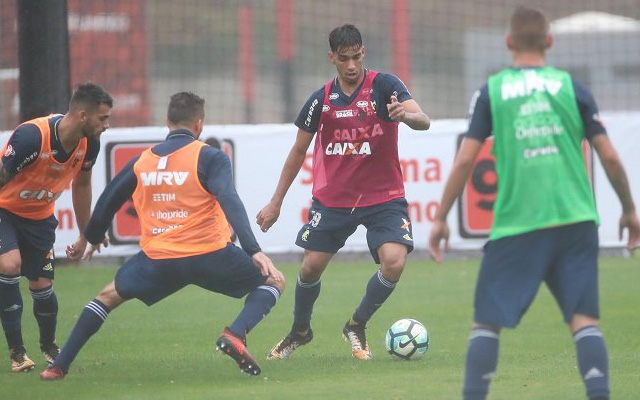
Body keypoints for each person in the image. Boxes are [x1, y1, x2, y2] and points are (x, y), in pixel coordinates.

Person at [428, 6, 640, 400]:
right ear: (549, 42)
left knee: (486, 325)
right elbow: (609, 156)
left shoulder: (493, 91)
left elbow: (464, 159)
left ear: (509, 43)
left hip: (519, 224)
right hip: (576, 220)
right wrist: (629, 209)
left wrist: (440, 218)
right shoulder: (572, 88)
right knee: (585, 323)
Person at [39, 92, 285, 380]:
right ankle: (235, 333)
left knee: (106, 297)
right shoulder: (210, 156)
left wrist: (90, 237)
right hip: (210, 254)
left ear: (166, 121)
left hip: (159, 259)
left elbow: (109, 199)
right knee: (274, 281)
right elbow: (229, 198)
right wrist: (253, 249)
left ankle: (58, 367)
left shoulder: (143, 160)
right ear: (199, 124)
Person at [257, 24, 430, 361]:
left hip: (384, 197)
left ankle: (356, 324)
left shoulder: (385, 86)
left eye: (356, 57)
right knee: (309, 269)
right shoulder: (320, 100)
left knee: (394, 262)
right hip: (334, 200)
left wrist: (406, 117)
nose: (351, 65)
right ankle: (300, 331)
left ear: (363, 53)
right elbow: (297, 152)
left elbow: (423, 119)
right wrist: (275, 202)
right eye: (343, 59)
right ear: (331, 58)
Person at [0, 83, 112, 372]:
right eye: (103, 118)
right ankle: (17, 352)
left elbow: (83, 185)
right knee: (10, 264)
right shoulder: (32, 137)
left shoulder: (90, 143)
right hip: (5, 211)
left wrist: (87, 233)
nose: (106, 125)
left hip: (39, 218)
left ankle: (49, 347)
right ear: (83, 115)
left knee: (42, 285)